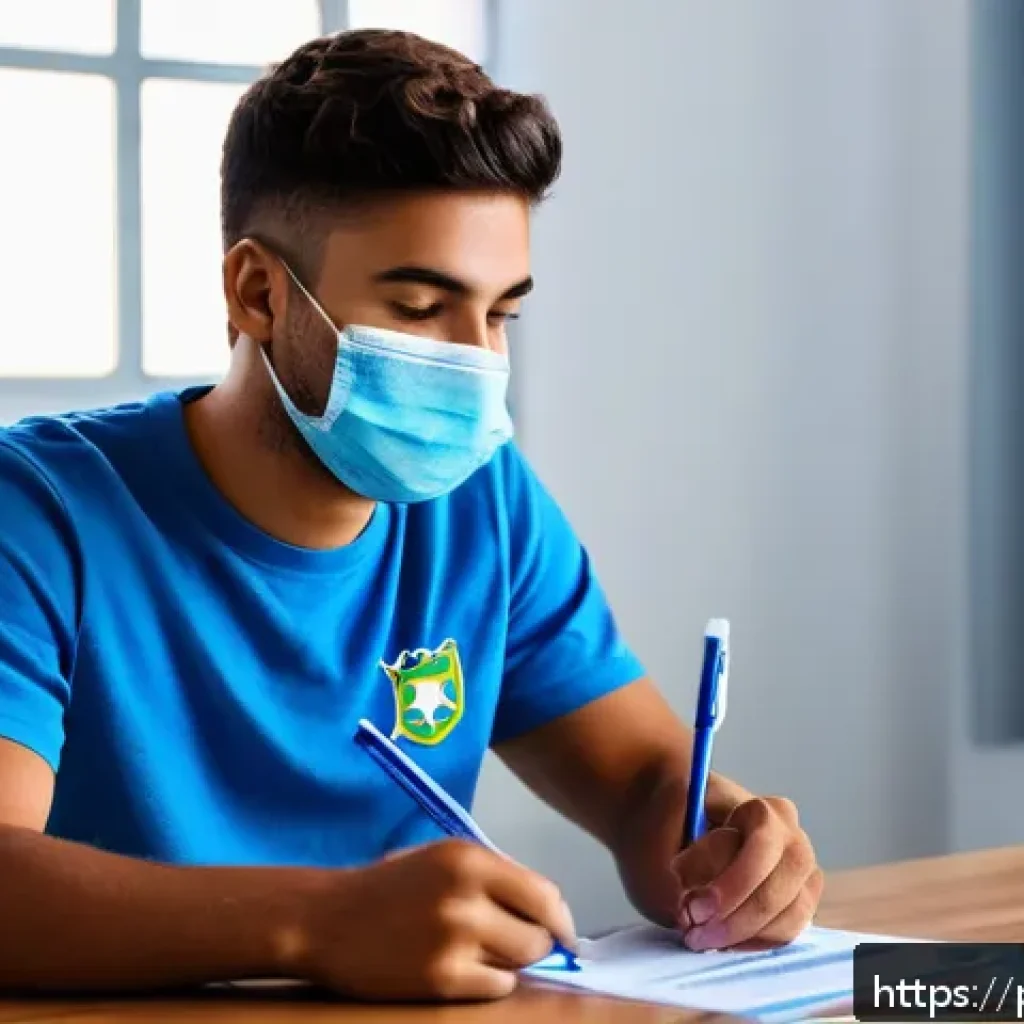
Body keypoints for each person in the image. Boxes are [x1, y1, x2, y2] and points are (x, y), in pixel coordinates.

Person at [0, 29, 821, 1002]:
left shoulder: (484, 504)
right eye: (422, 305)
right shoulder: (39, 513)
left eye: (500, 312)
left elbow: (643, 780)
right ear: (259, 292)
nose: (474, 360)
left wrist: (720, 845)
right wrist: (317, 924)